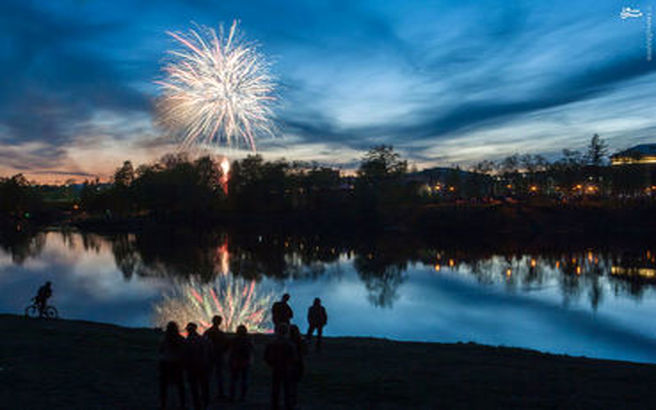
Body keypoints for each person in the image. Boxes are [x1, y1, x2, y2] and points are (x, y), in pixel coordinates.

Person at [264, 324, 296, 410]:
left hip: (276, 368)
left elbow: (266, 356)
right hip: (286, 368)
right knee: (287, 388)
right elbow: (293, 357)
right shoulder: (289, 344)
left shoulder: (272, 343)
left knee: (275, 388)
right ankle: (288, 405)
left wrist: (271, 364)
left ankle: (274, 405)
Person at [158, 321, 186, 410]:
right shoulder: (180, 338)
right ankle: (182, 404)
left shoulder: (163, 339)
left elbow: (160, 350)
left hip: (165, 363)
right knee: (180, 385)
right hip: (177, 363)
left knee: (164, 386)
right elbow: (184, 351)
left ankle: (163, 405)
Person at [184, 322, 210, 410]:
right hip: (203, 366)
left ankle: (197, 405)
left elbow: (185, 355)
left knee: (194, 387)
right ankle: (205, 403)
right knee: (203, 386)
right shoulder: (202, 339)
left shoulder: (187, 341)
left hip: (192, 367)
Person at [203, 315, 229, 399]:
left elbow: (204, 343)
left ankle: (206, 393)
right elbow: (227, 345)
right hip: (218, 356)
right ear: (220, 322)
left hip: (210, 356)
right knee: (219, 376)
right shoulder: (221, 334)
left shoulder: (208, 332)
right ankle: (220, 393)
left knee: (209, 375)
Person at [228, 324, 254, 402]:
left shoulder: (234, 340)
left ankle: (232, 396)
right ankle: (243, 397)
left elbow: (231, 351)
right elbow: (251, 350)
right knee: (244, 380)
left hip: (235, 362)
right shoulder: (248, 340)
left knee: (234, 380)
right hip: (244, 362)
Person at [289, 324, 306, 409]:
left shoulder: (286, 342)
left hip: (286, 366)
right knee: (294, 385)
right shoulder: (301, 341)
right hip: (297, 365)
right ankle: (292, 403)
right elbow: (305, 352)